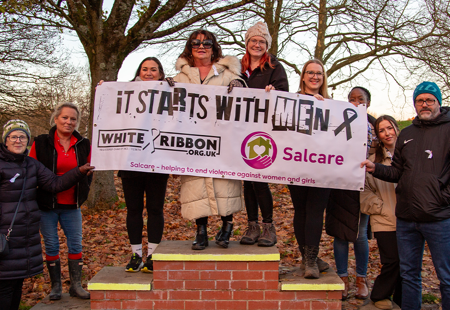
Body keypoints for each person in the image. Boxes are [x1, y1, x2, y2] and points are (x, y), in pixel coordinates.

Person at [361, 81, 450, 310]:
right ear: (415, 104)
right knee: (410, 276)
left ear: (438, 102)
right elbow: (398, 171)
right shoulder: (407, 134)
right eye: (420, 100)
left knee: (446, 278)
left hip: (439, 217)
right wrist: (375, 169)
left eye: (430, 100)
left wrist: (443, 197)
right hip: (407, 219)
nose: (425, 104)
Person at [0, 119, 93, 310]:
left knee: (16, 284)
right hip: (4, 235)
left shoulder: (31, 164)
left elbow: (54, 183)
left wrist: (79, 171)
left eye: (23, 137)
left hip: (24, 235)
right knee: (5, 287)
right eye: (14, 137)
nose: (18, 141)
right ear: (5, 140)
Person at [172, 29, 245, 250]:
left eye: (206, 43)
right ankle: (201, 231)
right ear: (189, 47)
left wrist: (240, 86)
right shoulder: (180, 77)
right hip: (193, 142)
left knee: (225, 183)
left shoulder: (227, 74)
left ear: (214, 48)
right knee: (197, 186)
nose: (201, 46)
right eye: (196, 43)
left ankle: (227, 227)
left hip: (223, 141)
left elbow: (244, 95)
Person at [29, 103, 92, 300]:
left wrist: (84, 192)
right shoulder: (40, 143)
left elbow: (90, 170)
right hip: (47, 204)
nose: (69, 122)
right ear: (56, 118)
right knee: (52, 244)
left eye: (73, 119)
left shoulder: (84, 144)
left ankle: (76, 285)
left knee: (75, 244)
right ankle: (56, 287)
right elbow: (32, 171)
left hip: (72, 205)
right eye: (65, 117)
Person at [239, 21, 289, 247]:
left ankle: (269, 226)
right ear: (247, 43)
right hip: (239, 130)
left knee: (259, 180)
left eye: (261, 41)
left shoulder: (274, 67)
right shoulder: (238, 68)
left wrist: (274, 92)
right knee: (246, 182)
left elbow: (285, 96)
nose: (257, 45)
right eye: (253, 40)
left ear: (267, 45)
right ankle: (252, 225)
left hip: (262, 131)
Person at [119, 57, 169, 273]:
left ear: (160, 73)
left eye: (154, 69)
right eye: (145, 69)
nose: (149, 73)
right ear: (139, 71)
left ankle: (153, 256)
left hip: (157, 162)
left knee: (155, 209)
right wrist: (105, 90)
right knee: (134, 209)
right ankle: (136, 255)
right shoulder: (125, 92)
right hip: (131, 160)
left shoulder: (170, 92)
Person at [328, 87, 372, 299]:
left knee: (360, 235)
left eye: (360, 99)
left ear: (367, 103)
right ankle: (342, 278)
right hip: (338, 185)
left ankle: (361, 278)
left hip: (360, 187)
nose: (355, 102)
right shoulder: (336, 123)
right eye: (351, 99)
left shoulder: (371, 125)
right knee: (340, 234)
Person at [288, 59, 331, 279]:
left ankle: (312, 260)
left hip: (321, 166)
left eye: (319, 74)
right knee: (301, 210)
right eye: (310, 73)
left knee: (315, 211)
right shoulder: (290, 101)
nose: (315, 77)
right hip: (296, 163)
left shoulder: (331, 105)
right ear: (303, 76)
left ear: (323, 78)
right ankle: (307, 258)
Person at [361, 115, 402, 309]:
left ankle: (402, 299)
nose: (387, 133)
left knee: (408, 263)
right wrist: (380, 208)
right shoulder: (373, 160)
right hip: (385, 217)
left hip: (410, 216)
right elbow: (364, 191)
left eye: (390, 128)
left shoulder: (409, 154)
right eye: (382, 130)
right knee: (392, 260)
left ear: (396, 129)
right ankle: (379, 294)